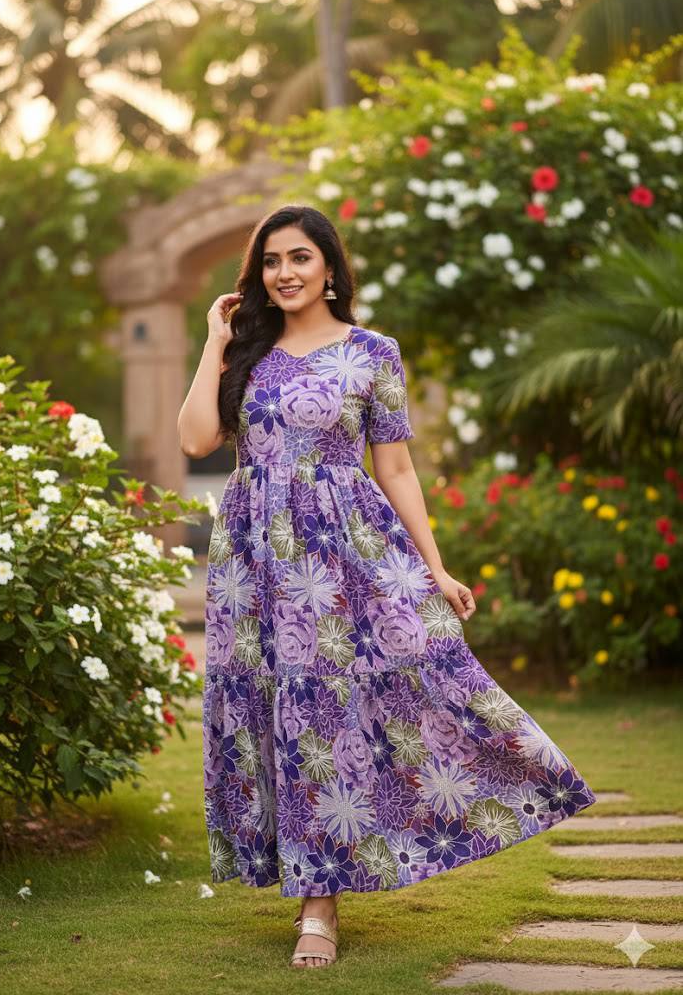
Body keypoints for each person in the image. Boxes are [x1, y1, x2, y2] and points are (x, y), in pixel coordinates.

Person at [176, 205, 597, 970]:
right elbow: (196, 439)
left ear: (330, 267)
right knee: (278, 703)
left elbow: (394, 465)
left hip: (344, 546)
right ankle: (314, 890)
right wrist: (214, 341)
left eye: (300, 258)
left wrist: (434, 566)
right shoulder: (246, 349)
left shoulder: (372, 352)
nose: (285, 273)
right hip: (252, 558)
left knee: (380, 684)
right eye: (271, 262)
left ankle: (324, 903)